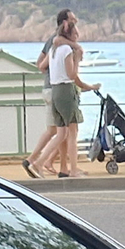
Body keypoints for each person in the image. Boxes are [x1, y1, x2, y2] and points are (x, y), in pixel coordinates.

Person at [24, 11, 88, 178]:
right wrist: (76, 57)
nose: (76, 22)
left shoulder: (57, 46)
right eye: (73, 20)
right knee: (66, 132)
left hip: (54, 88)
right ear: (66, 24)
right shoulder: (61, 44)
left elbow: (42, 64)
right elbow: (70, 74)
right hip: (60, 89)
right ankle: (58, 166)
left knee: (59, 132)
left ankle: (51, 164)